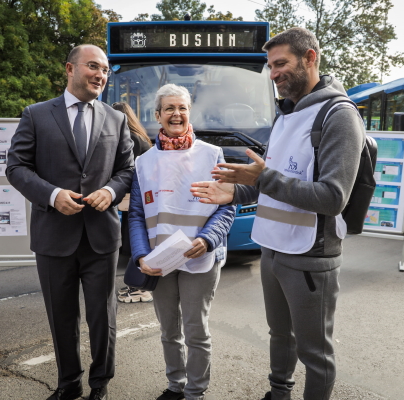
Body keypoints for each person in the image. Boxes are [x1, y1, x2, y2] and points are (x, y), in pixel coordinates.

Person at [190, 27, 365, 400]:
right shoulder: (285, 115)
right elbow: (271, 181)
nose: (273, 74)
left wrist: (260, 177)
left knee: (315, 353)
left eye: (281, 64)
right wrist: (233, 192)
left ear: (310, 58)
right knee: (280, 335)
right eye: (270, 66)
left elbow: (333, 197)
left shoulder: (339, 115)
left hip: (310, 255)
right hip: (271, 248)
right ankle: (278, 393)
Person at [6, 44, 134, 400]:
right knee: (61, 317)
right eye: (93, 66)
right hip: (53, 236)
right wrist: (51, 195)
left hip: (101, 237)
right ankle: (68, 384)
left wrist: (110, 190)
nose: (101, 75)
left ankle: (100, 384)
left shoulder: (116, 119)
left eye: (105, 70)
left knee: (102, 318)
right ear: (70, 69)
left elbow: (127, 170)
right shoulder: (36, 115)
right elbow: (16, 167)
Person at [129, 83, 235, 400]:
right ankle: (175, 385)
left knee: (196, 330)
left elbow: (227, 206)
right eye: (169, 108)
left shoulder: (211, 155)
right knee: (168, 330)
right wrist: (141, 255)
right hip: (160, 260)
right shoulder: (144, 162)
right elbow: (136, 214)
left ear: (189, 112)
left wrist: (208, 239)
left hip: (200, 256)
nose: (176, 114)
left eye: (182, 108)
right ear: (157, 115)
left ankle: (195, 392)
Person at [111, 101, 154, 304]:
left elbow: (129, 171)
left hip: (138, 199)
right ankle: (137, 286)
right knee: (135, 242)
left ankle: (141, 289)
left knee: (134, 243)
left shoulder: (132, 139)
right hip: (143, 198)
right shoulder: (138, 136)